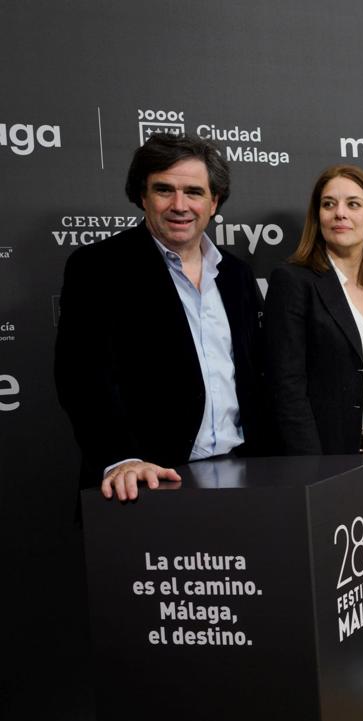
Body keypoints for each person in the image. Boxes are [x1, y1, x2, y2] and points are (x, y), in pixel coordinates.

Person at [55, 133, 268, 501]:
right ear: (143, 196)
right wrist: (122, 458)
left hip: (242, 474)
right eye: (164, 190)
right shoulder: (99, 267)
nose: (179, 205)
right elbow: (82, 376)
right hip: (148, 482)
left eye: (194, 192)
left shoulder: (236, 275)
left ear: (214, 202)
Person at [264, 164, 363, 525]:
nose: (340, 213)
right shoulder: (294, 281)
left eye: (353, 204)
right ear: (317, 216)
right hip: (334, 466)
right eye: (328, 204)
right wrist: (315, 476)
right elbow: (287, 389)